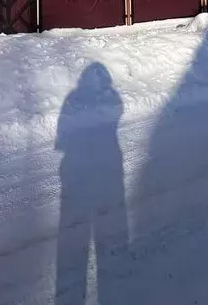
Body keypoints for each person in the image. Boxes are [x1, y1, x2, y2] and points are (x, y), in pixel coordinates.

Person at [54, 63, 128, 304]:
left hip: (86, 170)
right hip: (107, 165)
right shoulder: (105, 97)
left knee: (75, 237)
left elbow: (62, 138)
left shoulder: (74, 98)